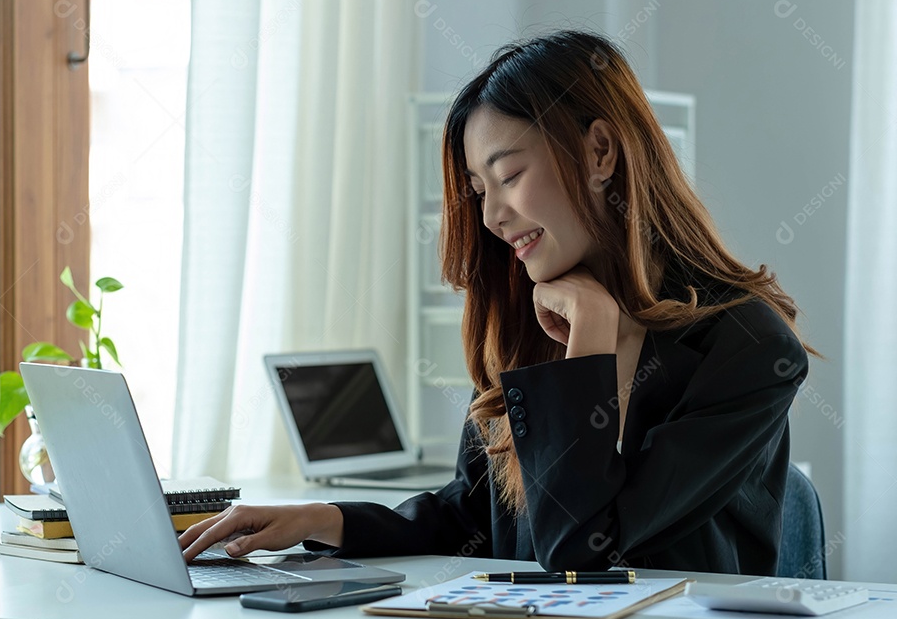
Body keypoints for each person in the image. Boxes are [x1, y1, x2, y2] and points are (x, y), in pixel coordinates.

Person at [179, 30, 813, 575]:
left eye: (509, 176)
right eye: (480, 190)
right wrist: (320, 519)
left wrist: (592, 338)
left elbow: (580, 552)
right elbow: (472, 515)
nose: (491, 217)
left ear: (600, 152)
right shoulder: (530, 321)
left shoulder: (747, 349)